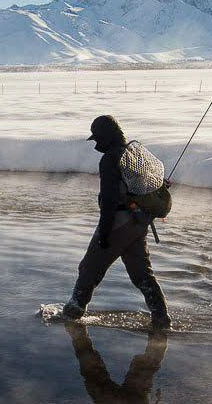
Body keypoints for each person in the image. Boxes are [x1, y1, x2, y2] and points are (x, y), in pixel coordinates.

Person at [63, 115, 171, 330]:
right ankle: (162, 319)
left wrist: (104, 234)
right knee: (142, 275)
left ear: (106, 136)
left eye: (97, 139)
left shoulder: (110, 158)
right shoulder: (134, 154)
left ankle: (72, 315)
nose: (96, 144)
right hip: (139, 223)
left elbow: (110, 200)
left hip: (119, 224)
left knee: (89, 268)